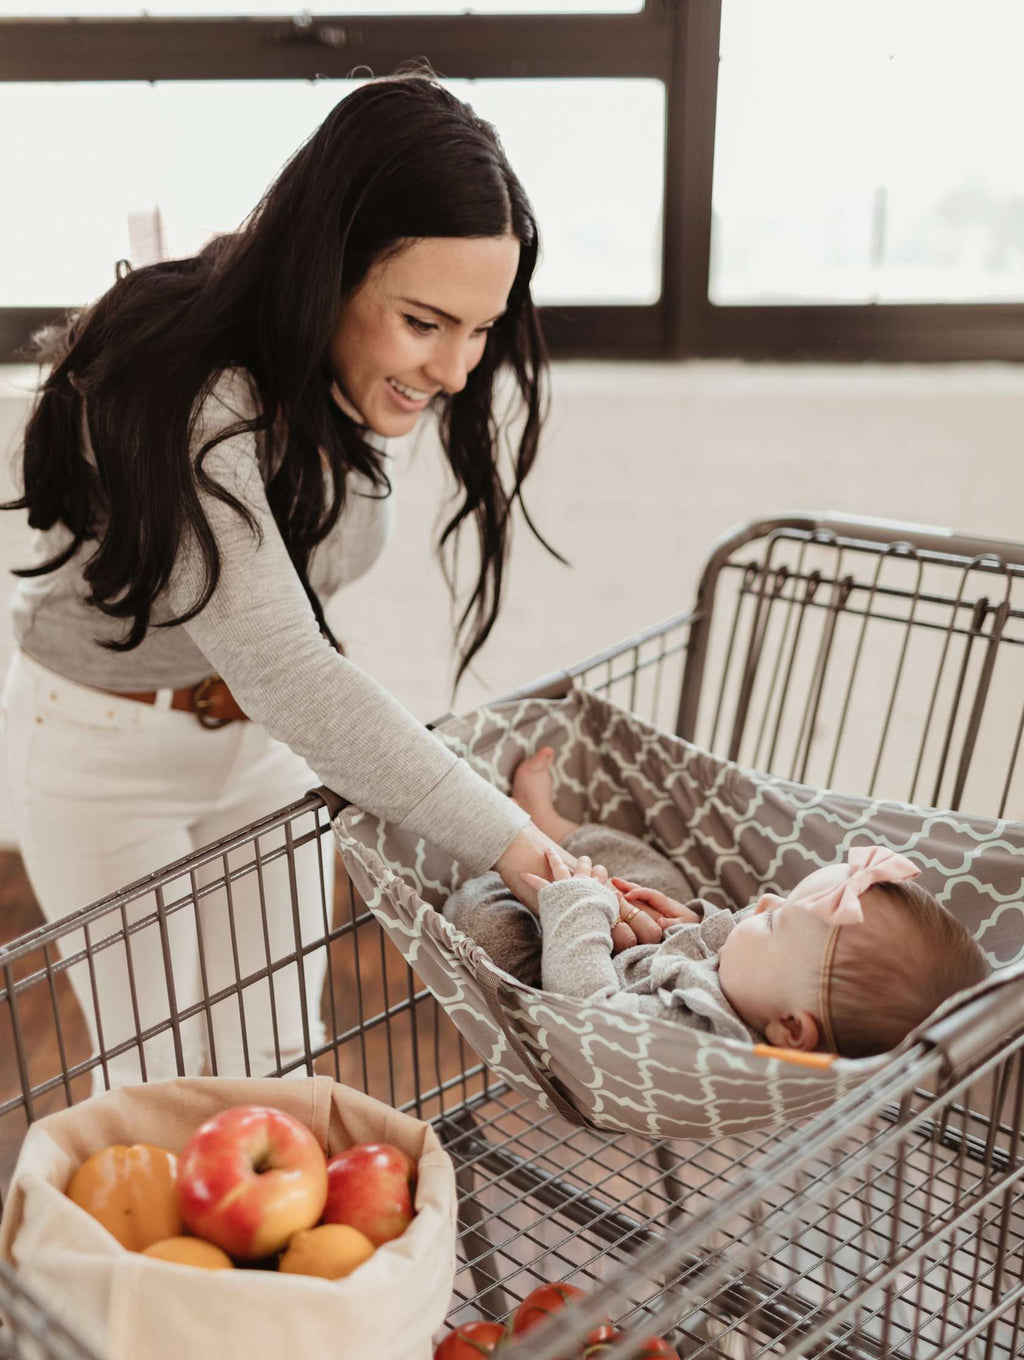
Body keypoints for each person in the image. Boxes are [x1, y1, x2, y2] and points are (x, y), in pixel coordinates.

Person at [1, 73, 653, 1090]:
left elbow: (288, 655)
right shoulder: (198, 393)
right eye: (426, 322)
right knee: (162, 1085)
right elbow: (287, 666)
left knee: (275, 1062)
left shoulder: (323, 379)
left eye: (479, 330)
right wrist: (515, 842)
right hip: (104, 754)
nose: (456, 371)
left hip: (257, 751)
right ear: (329, 268)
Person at [443, 747, 990, 1055]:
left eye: (775, 924)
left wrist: (575, 909)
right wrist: (692, 925)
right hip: (636, 950)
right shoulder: (761, 992)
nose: (765, 902)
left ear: (791, 1029)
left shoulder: (706, 1039)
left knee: (486, 930)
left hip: (564, 993)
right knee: (660, 876)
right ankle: (553, 830)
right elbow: (718, 960)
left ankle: (507, 861)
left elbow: (593, 1015)